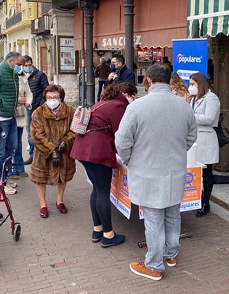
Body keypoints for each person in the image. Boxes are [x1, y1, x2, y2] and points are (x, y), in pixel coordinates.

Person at [115, 63, 197, 281]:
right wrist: (179, 153)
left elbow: (122, 142)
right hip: (175, 171)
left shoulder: (137, 107)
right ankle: (171, 254)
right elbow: (191, 138)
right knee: (172, 215)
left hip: (147, 172)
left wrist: (130, 160)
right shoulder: (184, 106)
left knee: (153, 218)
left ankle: (153, 264)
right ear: (170, 81)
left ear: (149, 80)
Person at [70, 82, 137, 247]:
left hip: (83, 149)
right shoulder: (119, 106)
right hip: (97, 152)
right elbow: (121, 134)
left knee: (97, 189)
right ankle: (108, 235)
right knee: (103, 192)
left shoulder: (102, 103)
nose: (133, 101)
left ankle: (97, 229)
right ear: (127, 95)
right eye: (133, 97)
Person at [30, 84, 77, 218]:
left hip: (64, 151)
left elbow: (75, 130)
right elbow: (37, 134)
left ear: (61, 98)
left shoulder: (70, 111)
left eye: (55, 97)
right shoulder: (38, 112)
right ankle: (43, 204)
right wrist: (51, 150)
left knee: (63, 176)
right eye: (49, 97)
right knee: (41, 178)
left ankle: (59, 200)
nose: (52, 100)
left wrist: (66, 142)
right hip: (43, 152)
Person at [0, 52, 23, 194]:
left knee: (13, 147)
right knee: (1, 152)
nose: (20, 67)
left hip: (11, 116)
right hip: (2, 118)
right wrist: (0, 108)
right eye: (19, 64)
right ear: (11, 61)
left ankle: (6, 177)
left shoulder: (12, 72)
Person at [188, 72, 220, 217]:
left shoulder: (211, 98)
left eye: (193, 84)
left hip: (206, 139)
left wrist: (190, 116)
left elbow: (209, 118)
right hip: (195, 139)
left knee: (207, 171)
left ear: (200, 83)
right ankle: (197, 199)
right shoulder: (195, 98)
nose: (191, 87)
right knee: (196, 171)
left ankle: (206, 202)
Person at [23, 55, 49, 165]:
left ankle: (43, 156)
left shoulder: (39, 75)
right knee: (29, 134)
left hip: (38, 108)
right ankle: (32, 156)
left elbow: (46, 91)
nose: (28, 67)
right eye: (26, 65)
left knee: (40, 132)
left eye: (30, 65)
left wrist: (41, 105)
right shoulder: (20, 76)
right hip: (27, 108)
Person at [13, 65, 33, 178]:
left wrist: (28, 102)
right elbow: (1, 96)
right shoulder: (5, 78)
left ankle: (20, 168)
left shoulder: (22, 78)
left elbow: (29, 92)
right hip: (9, 114)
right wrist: (17, 99)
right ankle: (11, 169)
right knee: (11, 143)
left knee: (18, 142)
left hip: (20, 114)